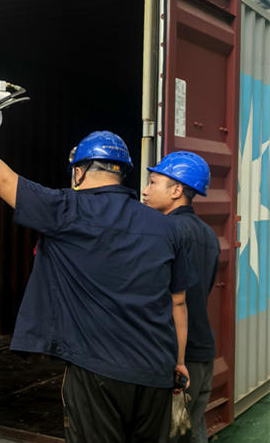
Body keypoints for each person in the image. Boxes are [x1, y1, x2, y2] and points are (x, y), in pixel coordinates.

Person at [0, 121, 192, 443]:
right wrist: (179, 362)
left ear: (79, 172)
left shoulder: (66, 209)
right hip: (156, 370)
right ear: (122, 173)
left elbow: (1, 179)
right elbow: (178, 302)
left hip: (97, 371)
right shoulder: (169, 228)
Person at [142, 151, 219, 443]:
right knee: (191, 430)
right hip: (204, 352)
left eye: (152, 182)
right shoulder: (208, 235)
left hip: (175, 357)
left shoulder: (165, 231)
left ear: (176, 190)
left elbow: (165, 298)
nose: (145, 191)